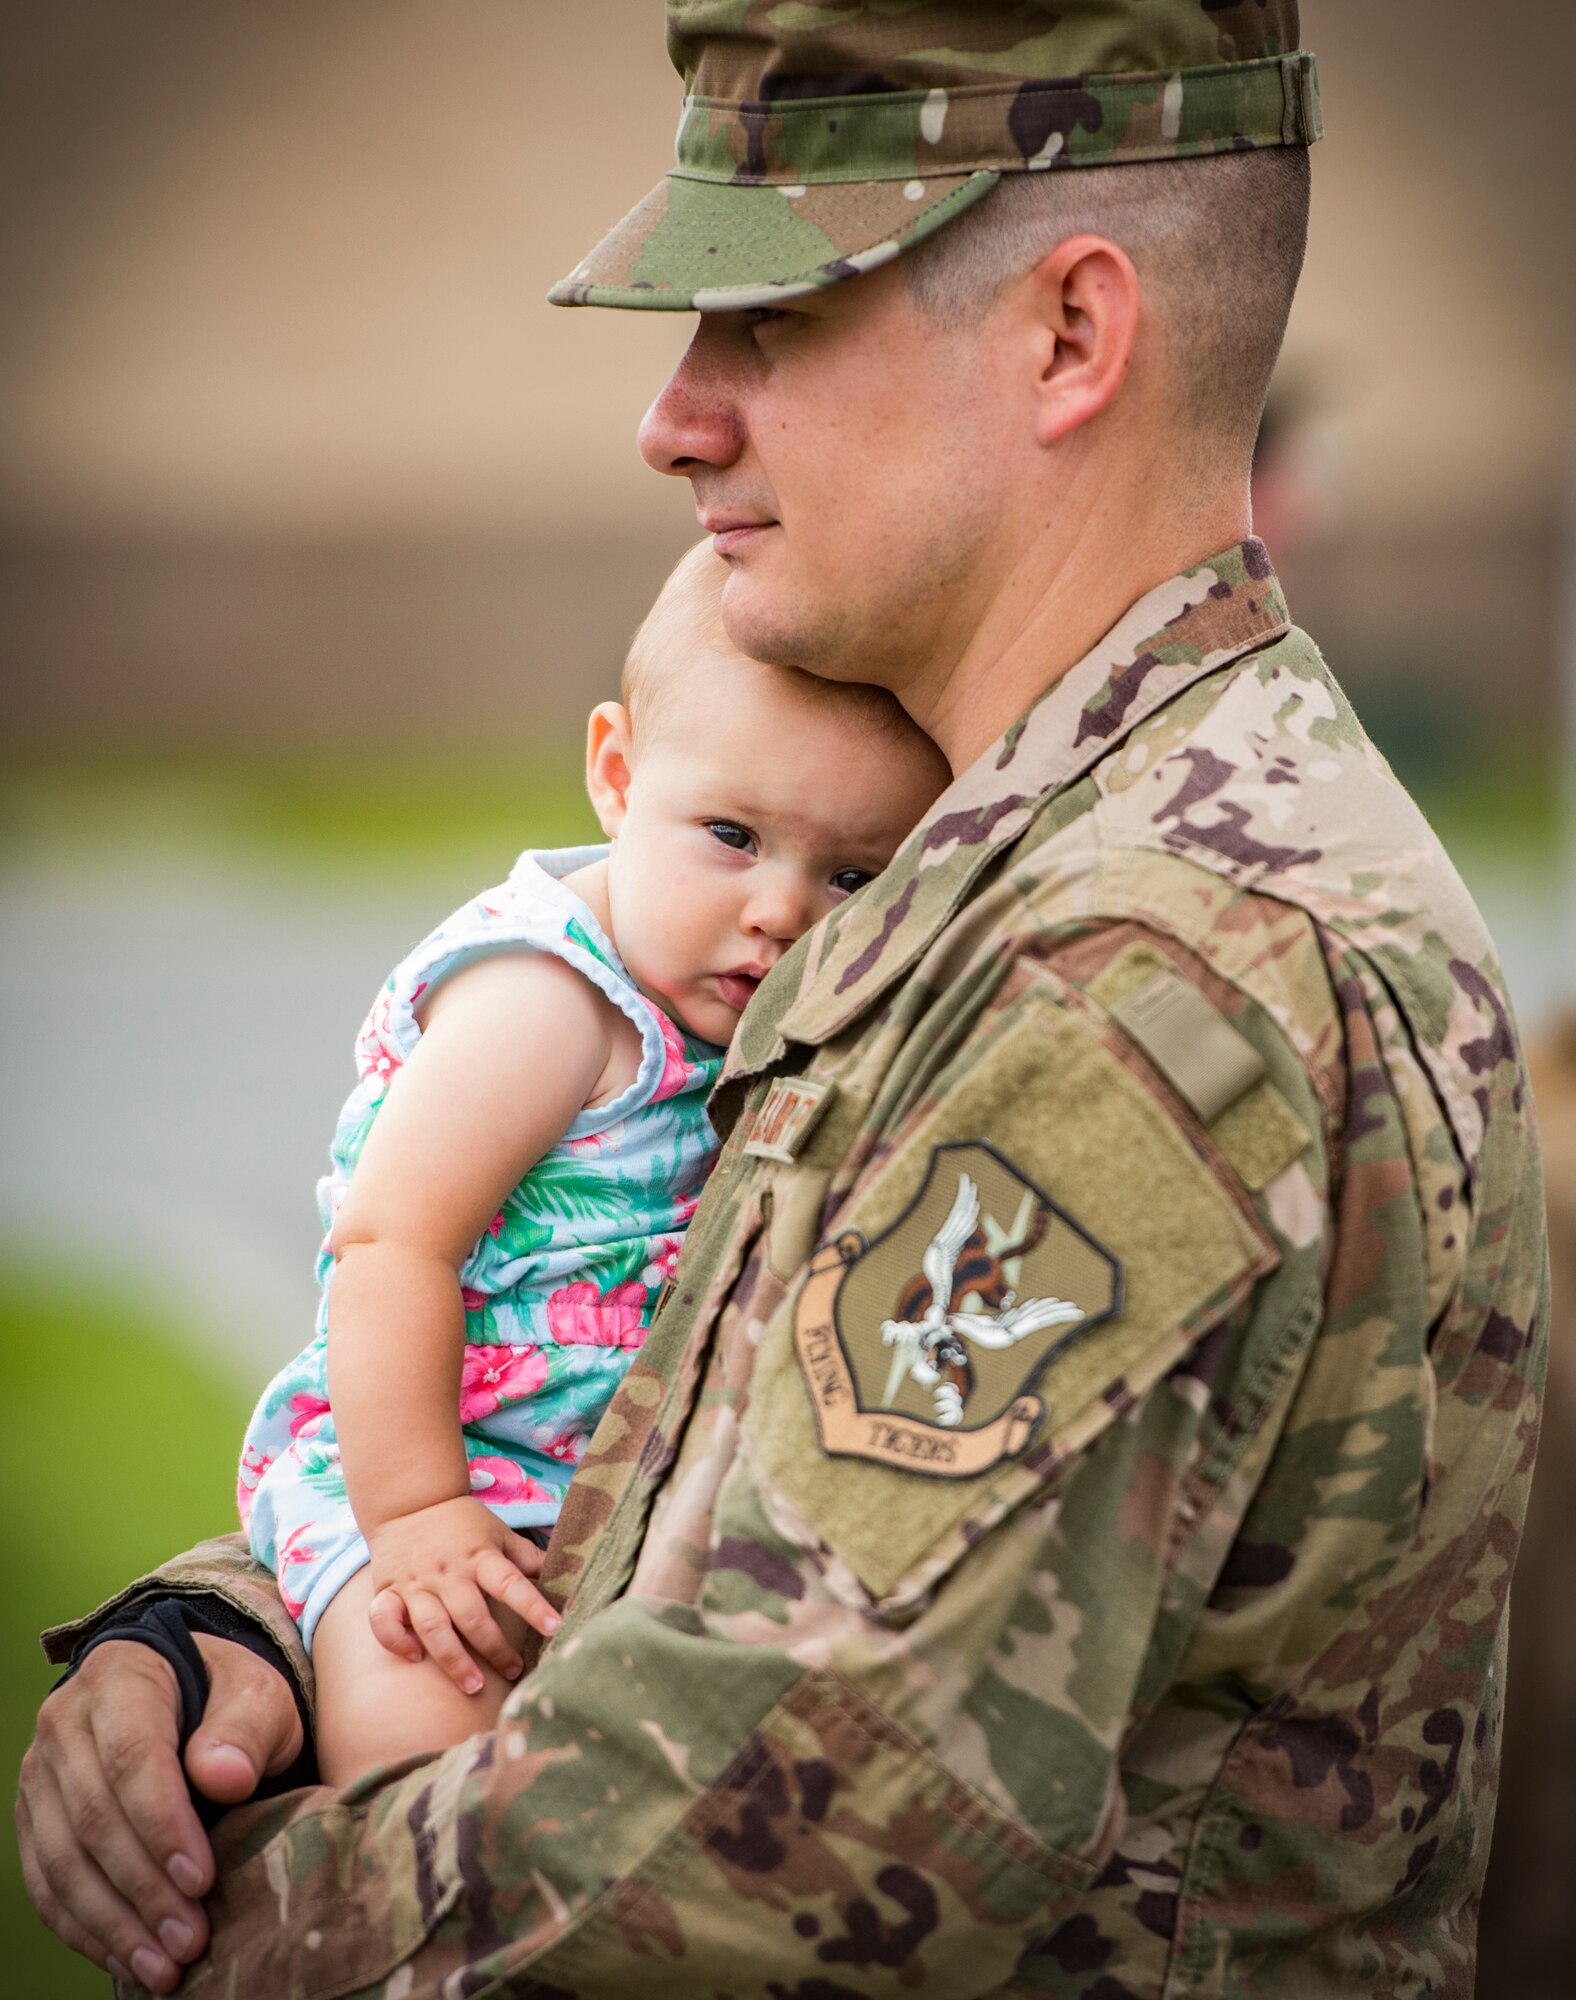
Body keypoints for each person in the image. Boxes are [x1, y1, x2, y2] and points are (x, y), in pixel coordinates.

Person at [17, 6, 1549, 1997]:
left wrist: (216, 1898)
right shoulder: (1005, 844)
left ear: (1069, 340)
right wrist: (246, 1628)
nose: (672, 415)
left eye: (768, 318)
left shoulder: (1143, 961)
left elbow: (754, 1854)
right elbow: (678, 1446)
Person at [236, 539, 949, 1786]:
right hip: (427, 1465)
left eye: (851, 874)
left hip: (591, 1490)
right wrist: (415, 1514)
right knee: (425, 1720)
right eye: (730, 834)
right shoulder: (546, 1001)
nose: (782, 910)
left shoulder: (751, 1013)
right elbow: (390, 1240)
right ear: (616, 776)